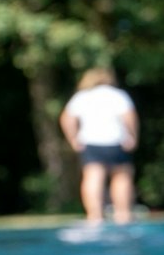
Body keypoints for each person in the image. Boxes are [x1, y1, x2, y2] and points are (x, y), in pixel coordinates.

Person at [59, 68, 138, 224]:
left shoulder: (81, 97)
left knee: (93, 177)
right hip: (116, 140)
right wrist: (133, 136)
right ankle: (123, 214)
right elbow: (130, 117)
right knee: (121, 176)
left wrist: (73, 139)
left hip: (91, 141)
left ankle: (94, 215)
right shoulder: (118, 95)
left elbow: (66, 118)